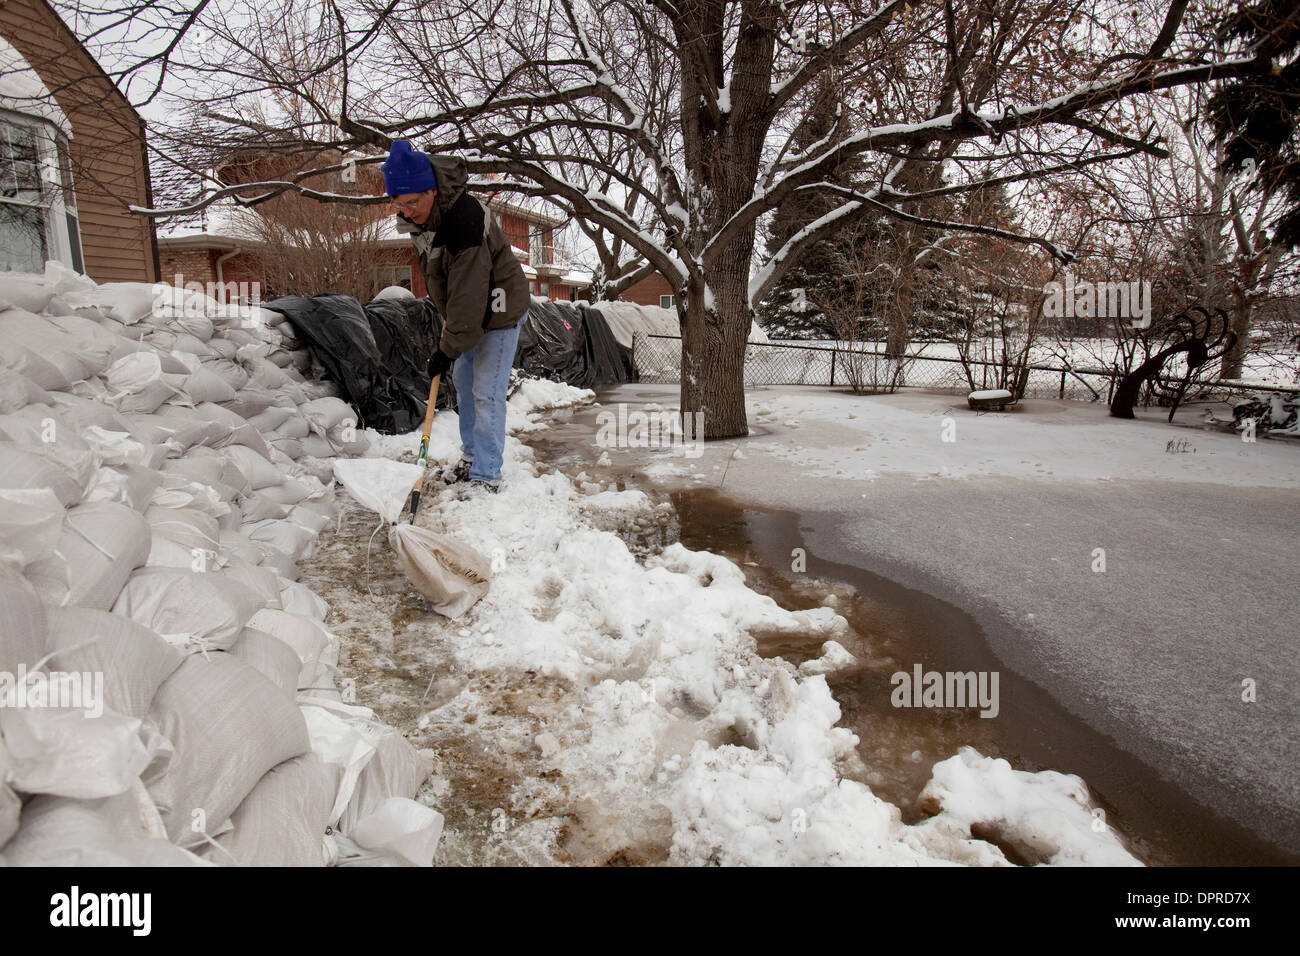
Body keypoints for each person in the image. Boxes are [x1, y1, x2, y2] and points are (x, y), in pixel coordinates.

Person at [382, 139, 530, 495]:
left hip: (499, 309)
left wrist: (446, 350)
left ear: (431, 189)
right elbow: (444, 281)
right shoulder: (424, 219)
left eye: (411, 203)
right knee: (464, 385)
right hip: (467, 313)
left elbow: (469, 292)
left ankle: (487, 474)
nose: (405, 212)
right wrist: (451, 337)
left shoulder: (465, 218)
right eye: (398, 205)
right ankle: (471, 456)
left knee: (485, 392)